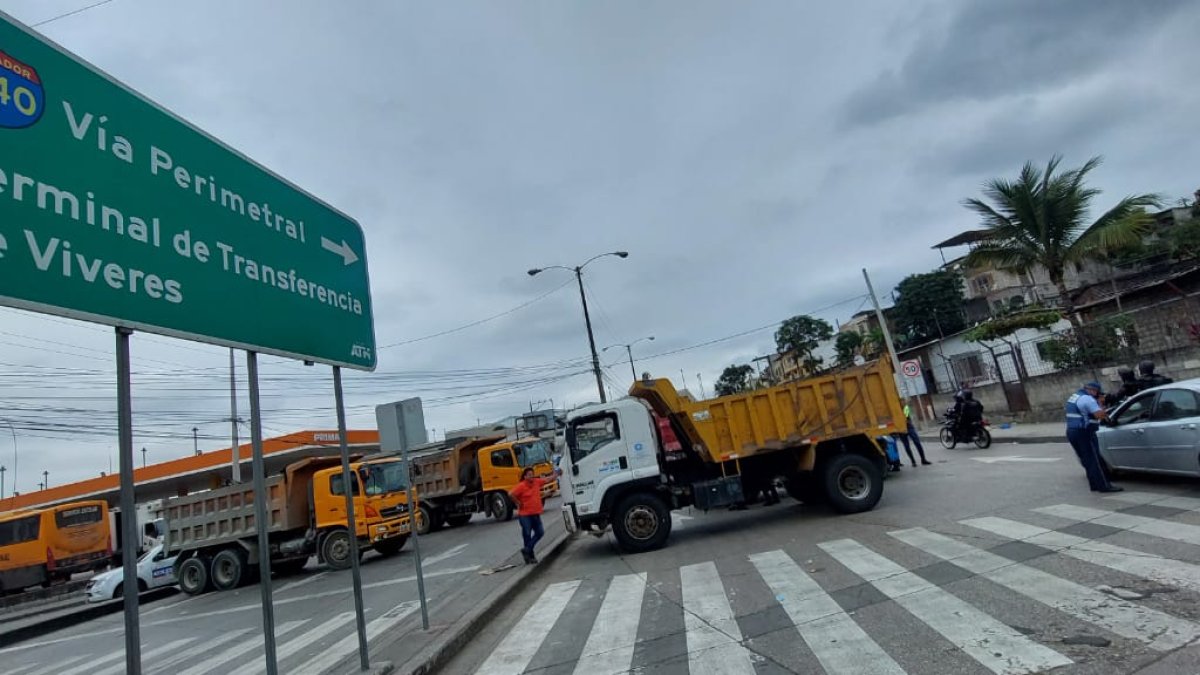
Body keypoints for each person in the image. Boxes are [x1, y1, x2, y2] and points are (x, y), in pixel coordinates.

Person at [1065, 381, 1122, 493]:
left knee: (1087, 460)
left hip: (1072, 431)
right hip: (1084, 432)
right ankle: (1104, 486)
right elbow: (1099, 415)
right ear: (1092, 390)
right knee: (1095, 460)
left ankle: (1094, 484)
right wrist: (1101, 404)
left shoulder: (1075, 396)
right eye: (1097, 392)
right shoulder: (1088, 399)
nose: (1097, 394)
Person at [508, 467, 546, 563]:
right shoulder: (521, 486)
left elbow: (547, 479)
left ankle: (527, 549)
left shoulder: (536, 482)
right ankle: (530, 557)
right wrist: (518, 502)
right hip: (525, 515)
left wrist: (556, 474)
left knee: (540, 532)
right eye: (529, 475)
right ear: (525, 476)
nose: (531, 476)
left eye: (532, 474)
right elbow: (511, 494)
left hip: (535, 514)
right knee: (527, 534)